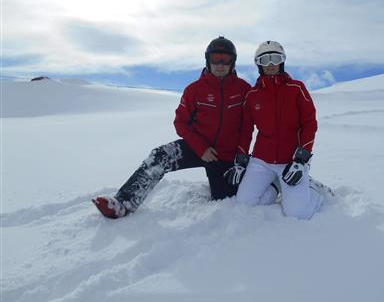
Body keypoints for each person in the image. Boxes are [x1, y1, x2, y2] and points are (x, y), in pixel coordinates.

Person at [92, 36, 277, 219]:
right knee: (160, 155)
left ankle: (273, 180)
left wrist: (241, 155)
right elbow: (180, 122)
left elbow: (247, 127)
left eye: (226, 59)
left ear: (233, 62)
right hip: (197, 147)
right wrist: (201, 148)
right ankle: (124, 202)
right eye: (215, 59)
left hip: (226, 155)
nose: (220, 64)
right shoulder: (194, 90)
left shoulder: (244, 90)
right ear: (208, 60)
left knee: (225, 198)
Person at [224, 40, 322, 219]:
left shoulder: (296, 88)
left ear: (282, 61)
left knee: (297, 213)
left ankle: (312, 189)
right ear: (258, 64)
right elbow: (246, 129)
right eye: (264, 60)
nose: (270, 64)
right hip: (262, 160)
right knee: (244, 203)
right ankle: (276, 186)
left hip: (291, 160)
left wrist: (301, 159)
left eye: (275, 58)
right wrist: (241, 159)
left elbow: (309, 123)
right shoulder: (252, 95)